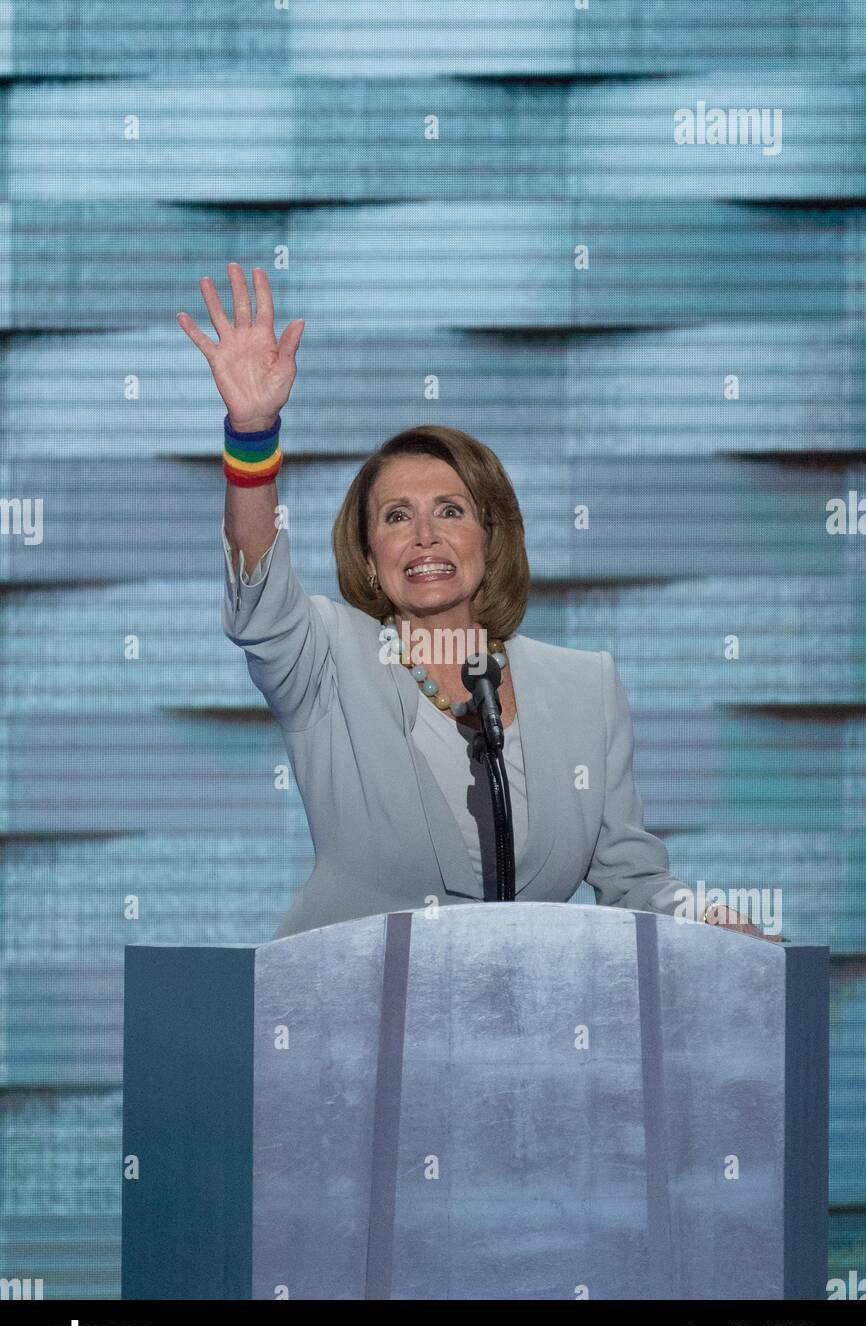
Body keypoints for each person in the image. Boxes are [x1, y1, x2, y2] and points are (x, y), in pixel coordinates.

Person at [177, 263, 780, 943]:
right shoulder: (326, 659)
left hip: (529, 1030)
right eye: (397, 517)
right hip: (347, 1024)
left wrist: (709, 924)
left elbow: (633, 882)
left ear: (491, 536)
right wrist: (252, 434)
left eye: (450, 510)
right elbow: (260, 585)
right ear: (369, 554)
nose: (425, 535)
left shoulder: (586, 687)